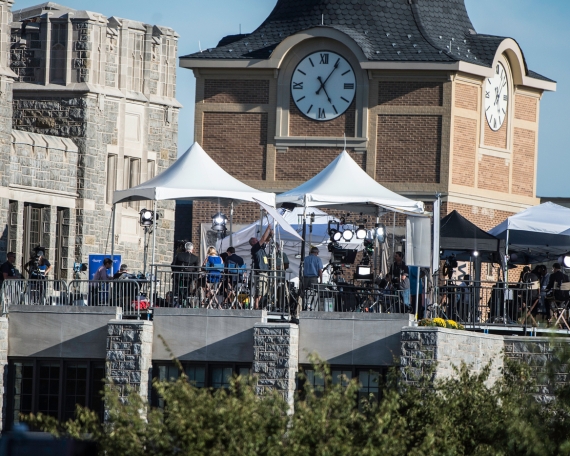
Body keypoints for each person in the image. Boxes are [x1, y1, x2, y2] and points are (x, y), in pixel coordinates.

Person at [249, 225, 272, 309]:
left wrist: (270, 235)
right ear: (253, 243)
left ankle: (258, 305)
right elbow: (263, 239)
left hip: (264, 271)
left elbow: (266, 241)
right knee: (259, 291)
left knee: (263, 291)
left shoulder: (261, 248)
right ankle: (256, 306)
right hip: (260, 272)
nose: (257, 240)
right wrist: (268, 229)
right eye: (255, 240)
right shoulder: (255, 248)